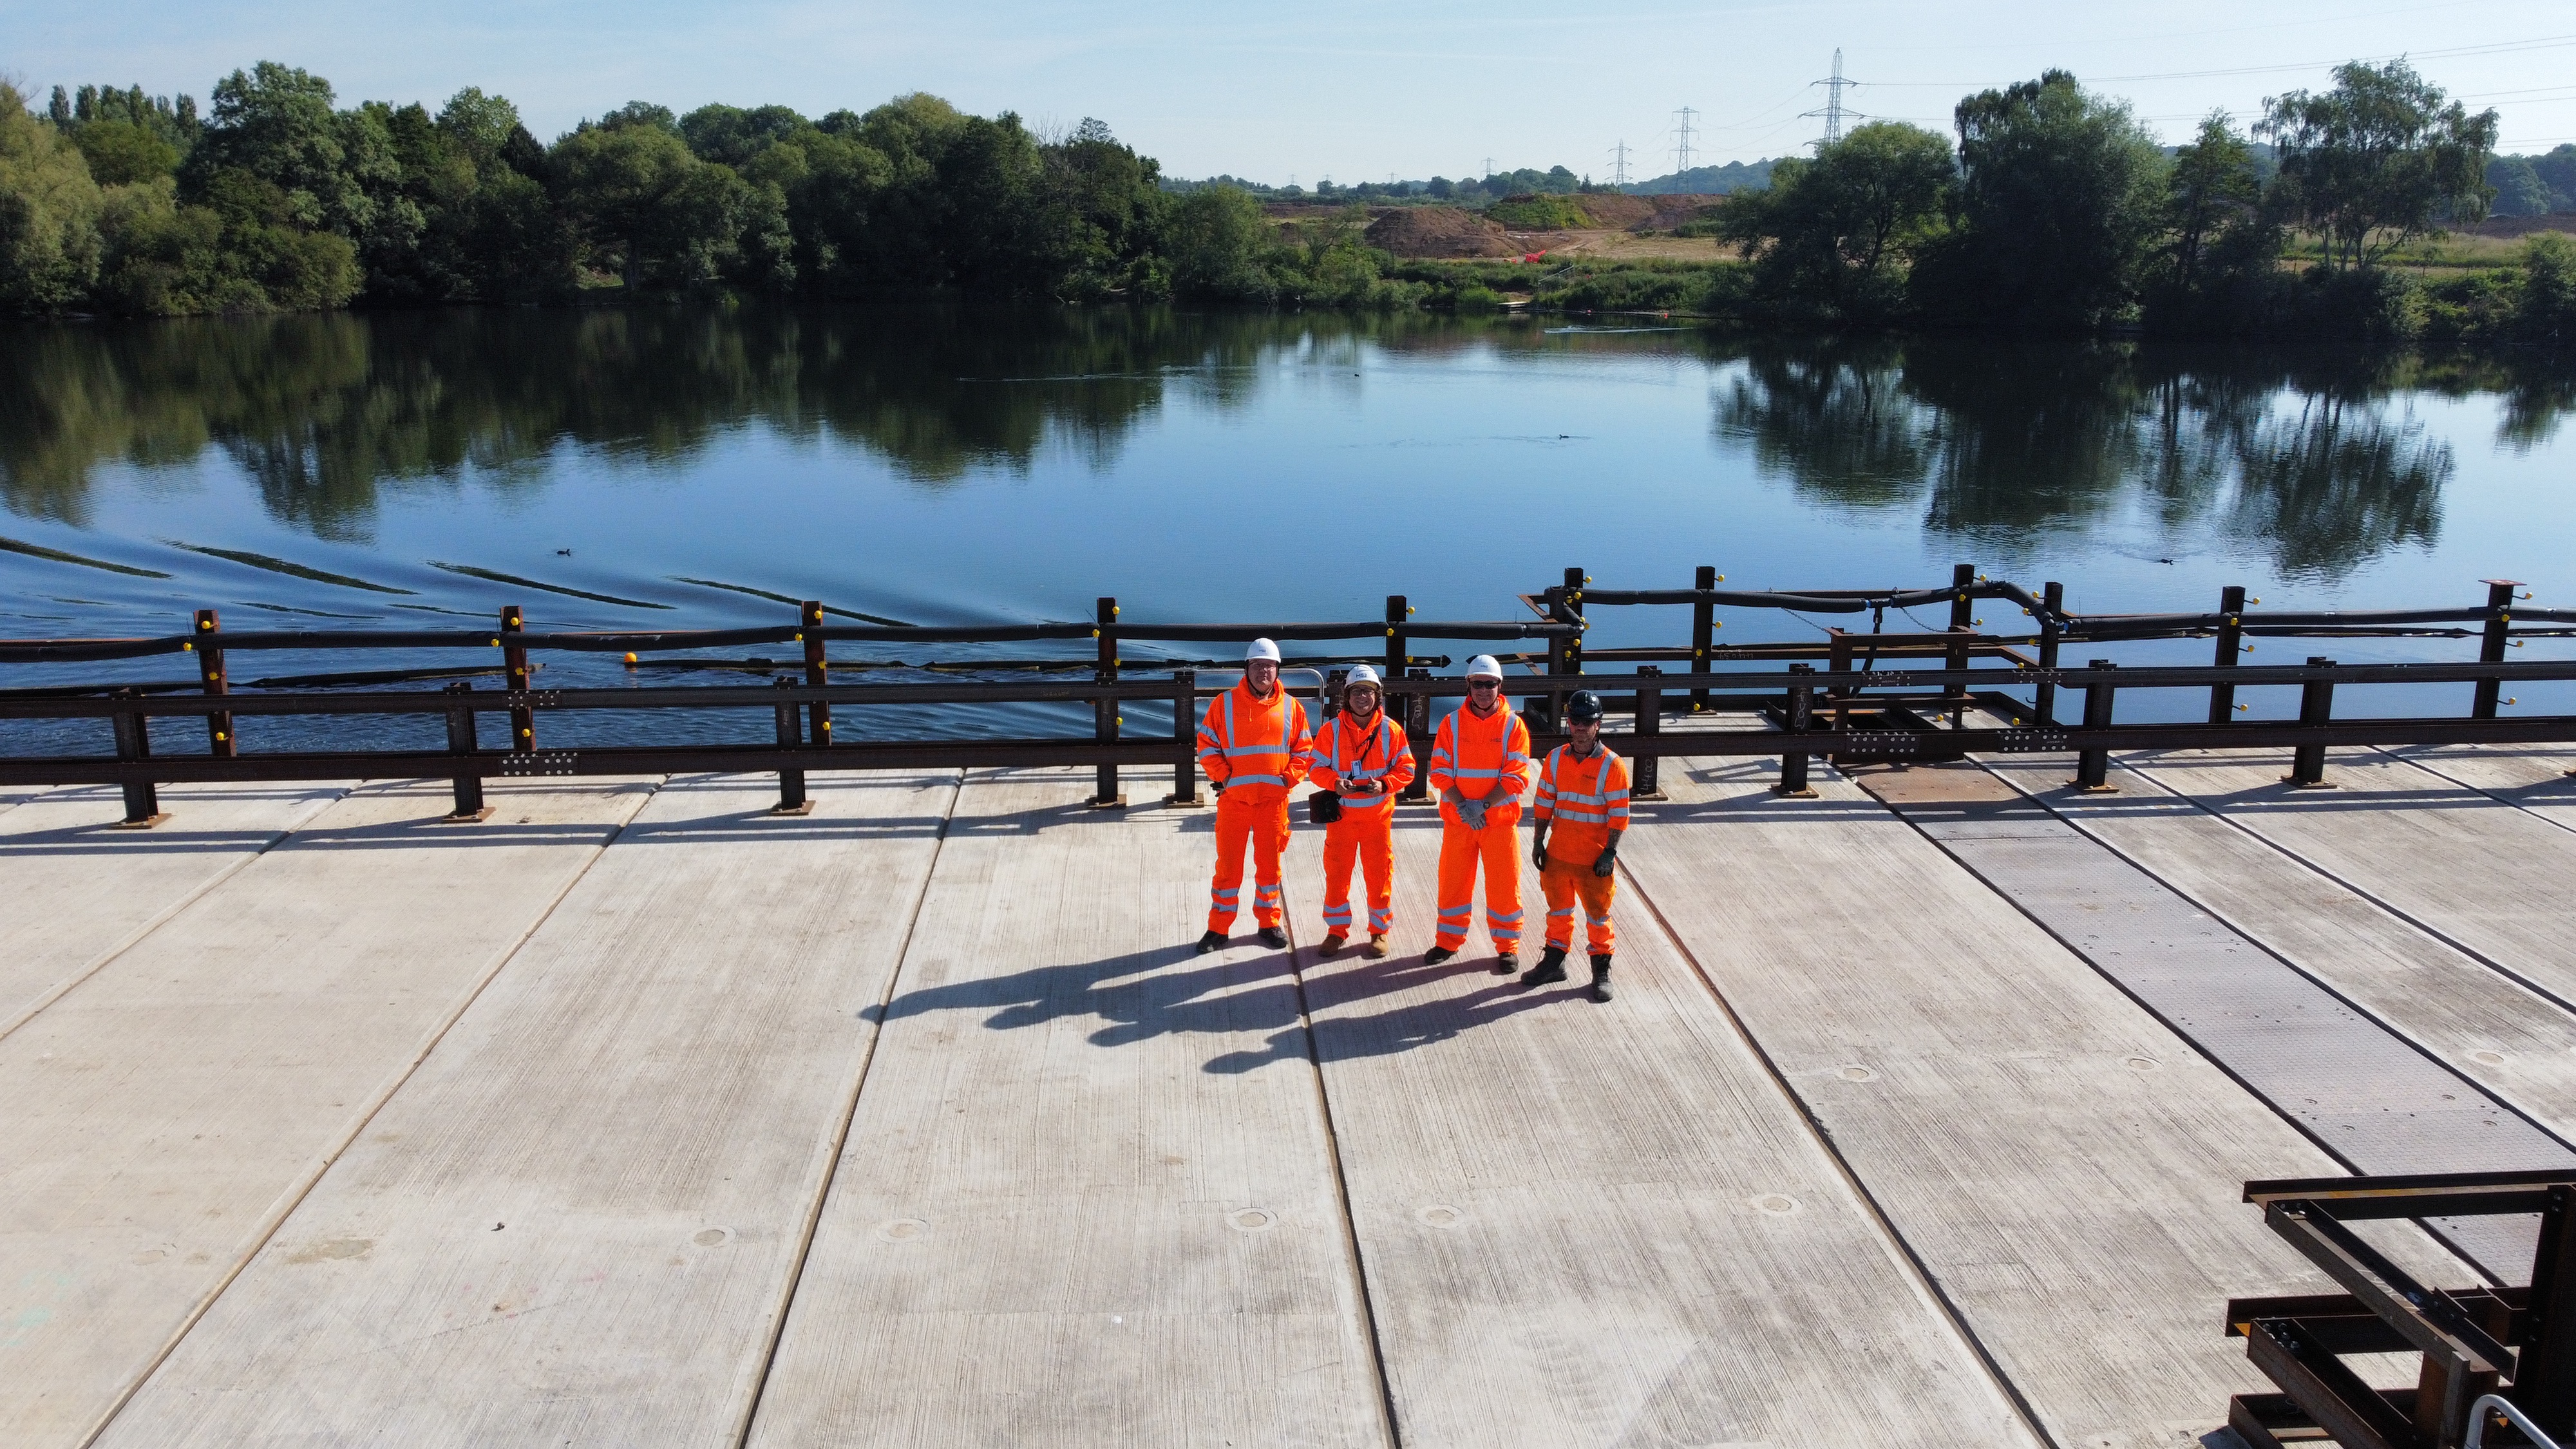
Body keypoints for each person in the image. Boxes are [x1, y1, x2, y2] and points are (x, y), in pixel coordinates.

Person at [1195, 638, 1312, 954]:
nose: (1264, 671)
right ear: (1247, 669)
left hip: (1273, 805)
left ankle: (1268, 923)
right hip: (1234, 802)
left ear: (1277, 671)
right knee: (1228, 870)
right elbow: (1206, 744)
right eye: (1258, 666)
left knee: (1269, 869)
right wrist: (1225, 776)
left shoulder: (1292, 707)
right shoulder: (1224, 703)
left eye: (1269, 666)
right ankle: (1218, 929)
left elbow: (1304, 750)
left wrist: (1288, 780)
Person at [1424, 655, 1531, 973]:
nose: (1485, 690)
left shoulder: (1514, 726)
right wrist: (1463, 806)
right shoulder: (1451, 724)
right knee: (1453, 883)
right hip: (1460, 822)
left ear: (1500, 686)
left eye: (1491, 684)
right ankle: (1448, 941)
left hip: (1498, 822)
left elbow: (1517, 777)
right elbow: (1440, 772)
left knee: (1504, 885)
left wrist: (1481, 806)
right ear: (1468, 686)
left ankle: (1507, 947)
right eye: (1478, 684)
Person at [1526, 688, 1629, 1002]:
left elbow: (1619, 814)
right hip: (1558, 854)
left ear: (1599, 724)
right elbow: (1544, 802)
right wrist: (1538, 842)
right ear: (1568, 722)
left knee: (1598, 916)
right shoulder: (1556, 758)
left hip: (1593, 859)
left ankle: (1601, 970)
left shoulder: (1612, 766)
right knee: (1558, 912)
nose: (1580, 727)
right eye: (1575, 721)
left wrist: (1609, 853)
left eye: (1587, 722)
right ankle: (1554, 963)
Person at [1307, 663, 1416, 959]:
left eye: (1368, 691)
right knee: (1337, 877)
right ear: (1347, 697)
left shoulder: (1391, 730)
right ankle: (1336, 931)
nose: (1362, 697)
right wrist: (1334, 782)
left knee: (1379, 876)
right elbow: (1314, 767)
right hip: (1341, 819)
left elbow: (1407, 769)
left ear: (1377, 696)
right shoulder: (1331, 731)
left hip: (1377, 821)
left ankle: (1379, 931)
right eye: (1357, 692)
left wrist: (1385, 784)